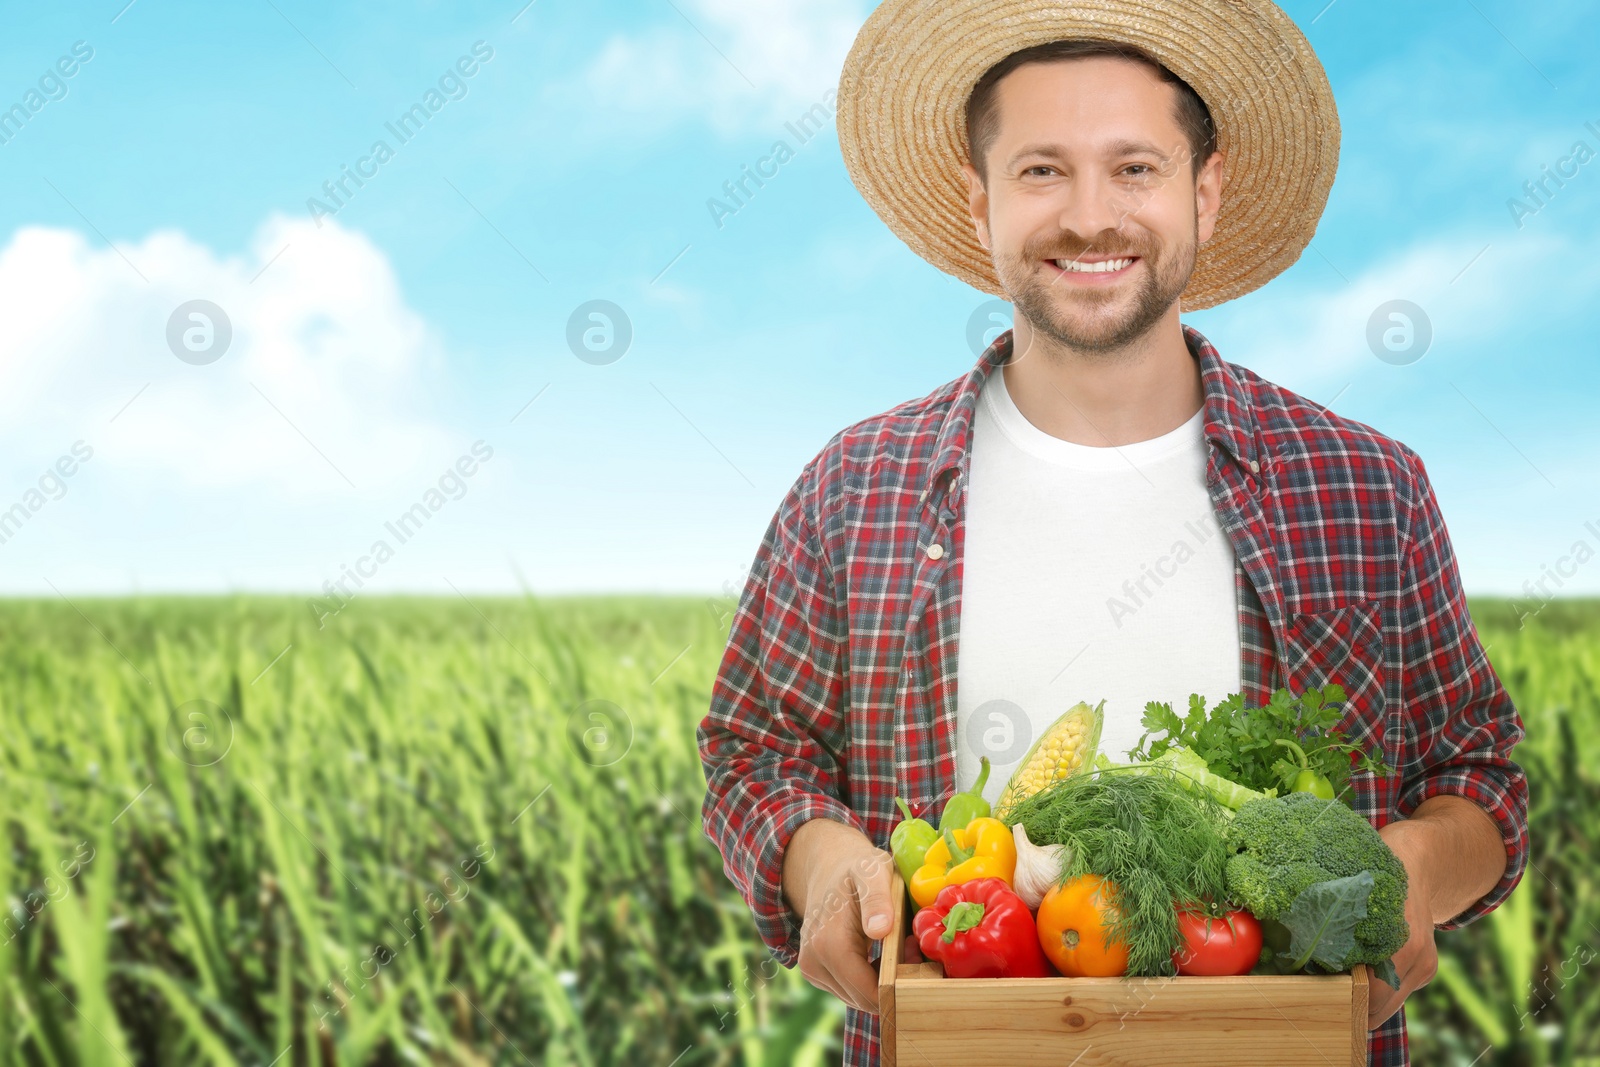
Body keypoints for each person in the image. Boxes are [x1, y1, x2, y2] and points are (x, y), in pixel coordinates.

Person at [696, 2, 1528, 1064]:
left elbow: (1478, 772)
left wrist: (1418, 864)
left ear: (1205, 191)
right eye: (1042, 171)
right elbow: (754, 748)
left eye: (1133, 168)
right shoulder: (854, 489)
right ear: (979, 198)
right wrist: (820, 868)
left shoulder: (1366, 486)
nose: (1090, 218)